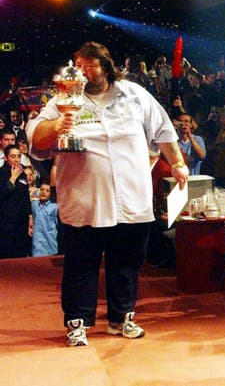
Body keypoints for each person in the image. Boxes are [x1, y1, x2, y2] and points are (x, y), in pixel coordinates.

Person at [26, 42, 188, 347]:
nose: (83, 72)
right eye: (79, 66)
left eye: (90, 66)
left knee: (126, 263)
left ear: (106, 66)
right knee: (80, 265)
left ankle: (121, 318)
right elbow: (36, 134)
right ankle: (77, 323)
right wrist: (59, 124)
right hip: (85, 201)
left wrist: (178, 162)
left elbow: (163, 130)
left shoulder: (134, 94)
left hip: (131, 199)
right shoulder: (65, 97)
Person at [0, 144, 32, 258]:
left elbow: (26, 197)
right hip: (5, 222)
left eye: (18, 156)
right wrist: (12, 178)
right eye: (13, 157)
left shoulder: (22, 172)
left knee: (21, 255)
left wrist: (30, 217)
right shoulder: (1, 173)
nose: (16, 159)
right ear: (6, 158)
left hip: (21, 222)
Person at [31, 182, 59, 257]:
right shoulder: (34, 205)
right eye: (42, 190)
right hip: (37, 244)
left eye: (47, 191)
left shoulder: (54, 207)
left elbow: (58, 225)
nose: (44, 192)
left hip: (50, 245)